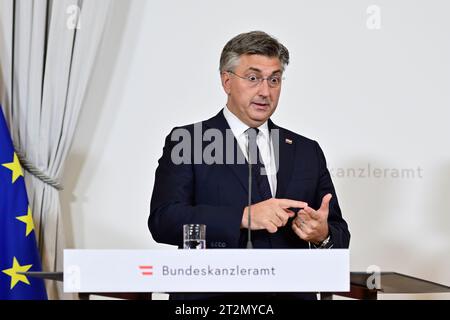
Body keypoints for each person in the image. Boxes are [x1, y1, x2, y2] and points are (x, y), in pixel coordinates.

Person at [149, 31, 350, 300]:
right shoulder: (189, 141)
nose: (265, 91)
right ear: (226, 80)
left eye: (274, 80)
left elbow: (339, 234)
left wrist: (322, 234)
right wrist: (243, 217)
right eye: (253, 78)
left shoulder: (306, 150)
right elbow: (164, 221)